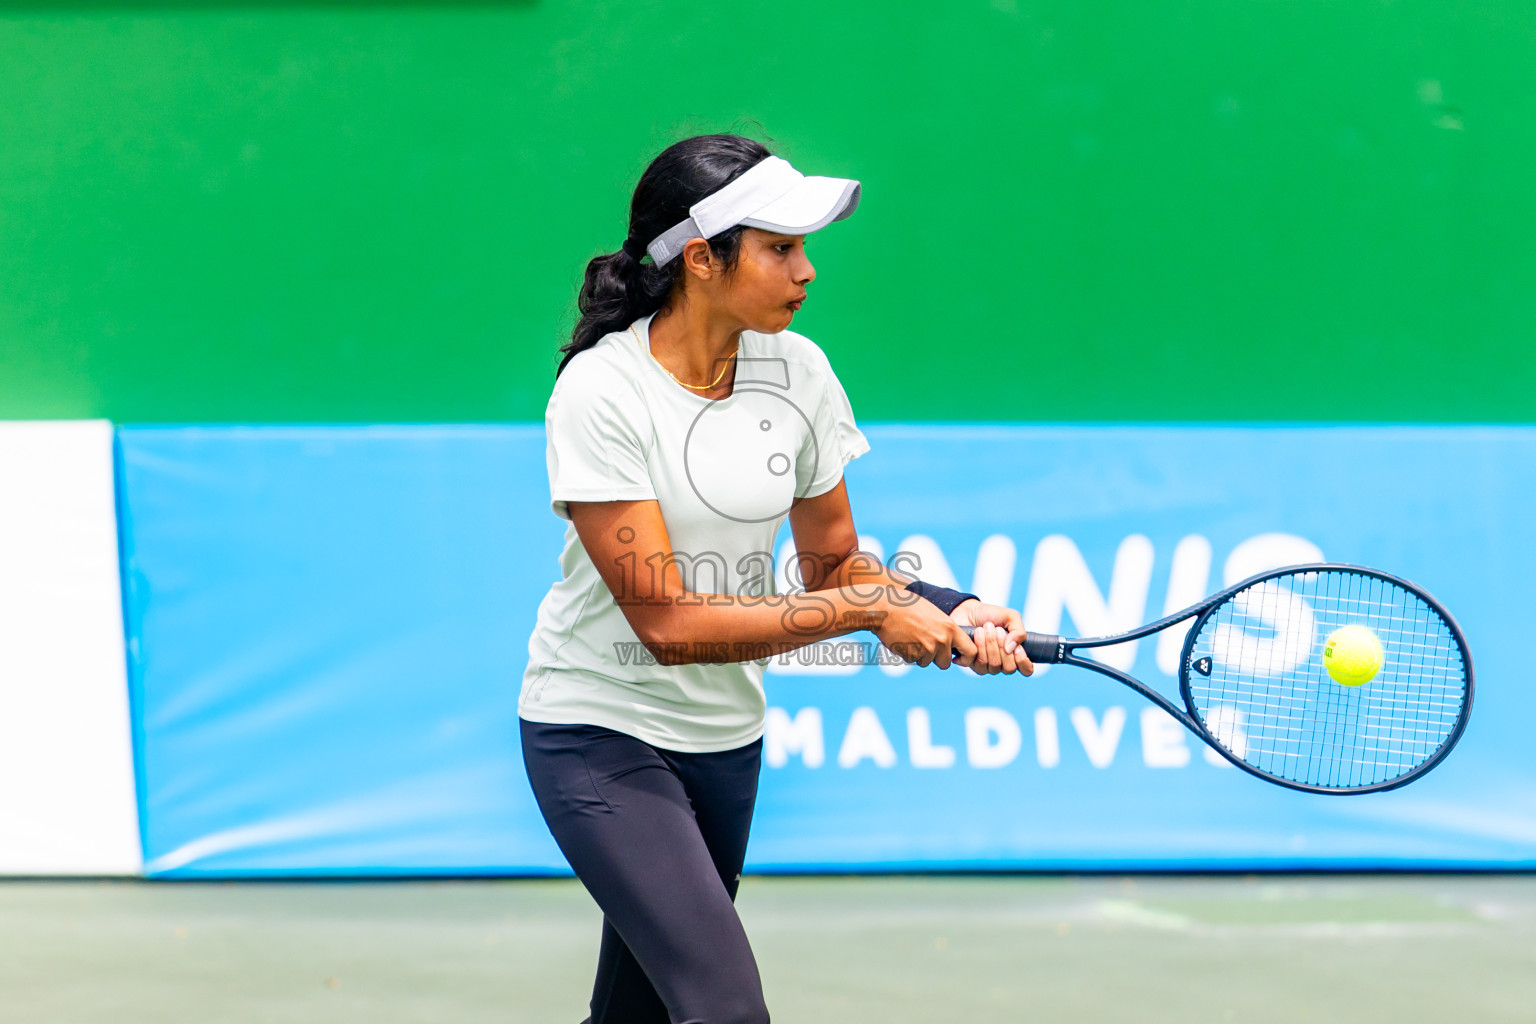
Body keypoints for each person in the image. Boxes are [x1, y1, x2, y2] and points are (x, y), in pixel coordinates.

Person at [520, 133, 1034, 1024]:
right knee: (723, 1007)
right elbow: (670, 627)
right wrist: (865, 610)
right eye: (781, 248)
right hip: (596, 734)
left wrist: (949, 605)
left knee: (637, 1014)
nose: (806, 271)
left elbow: (834, 560)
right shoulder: (601, 393)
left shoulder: (799, 371)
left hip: (725, 740)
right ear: (701, 259)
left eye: (804, 249)